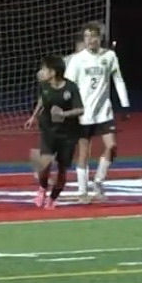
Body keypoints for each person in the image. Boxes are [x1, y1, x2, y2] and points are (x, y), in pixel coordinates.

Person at [64, 22, 130, 202]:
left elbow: (118, 80)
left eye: (93, 36)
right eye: (87, 37)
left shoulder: (109, 56)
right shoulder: (78, 59)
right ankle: (82, 192)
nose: (90, 40)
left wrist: (125, 105)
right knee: (84, 153)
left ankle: (99, 181)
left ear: (99, 37)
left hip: (104, 112)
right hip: (83, 113)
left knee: (112, 147)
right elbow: (68, 86)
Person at [29, 55, 84, 209]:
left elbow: (81, 109)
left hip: (68, 135)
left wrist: (64, 114)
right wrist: (33, 116)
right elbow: (42, 99)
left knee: (62, 169)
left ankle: (52, 198)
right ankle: (42, 188)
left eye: (45, 69)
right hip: (48, 131)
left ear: (53, 72)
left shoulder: (71, 88)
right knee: (42, 163)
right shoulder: (44, 85)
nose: (42, 71)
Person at [30, 35, 86, 178]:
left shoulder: (91, 64)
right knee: (46, 154)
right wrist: (33, 116)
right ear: (77, 46)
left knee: (66, 160)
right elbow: (42, 86)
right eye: (82, 46)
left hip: (70, 117)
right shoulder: (67, 61)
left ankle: (77, 178)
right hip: (51, 119)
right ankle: (42, 170)